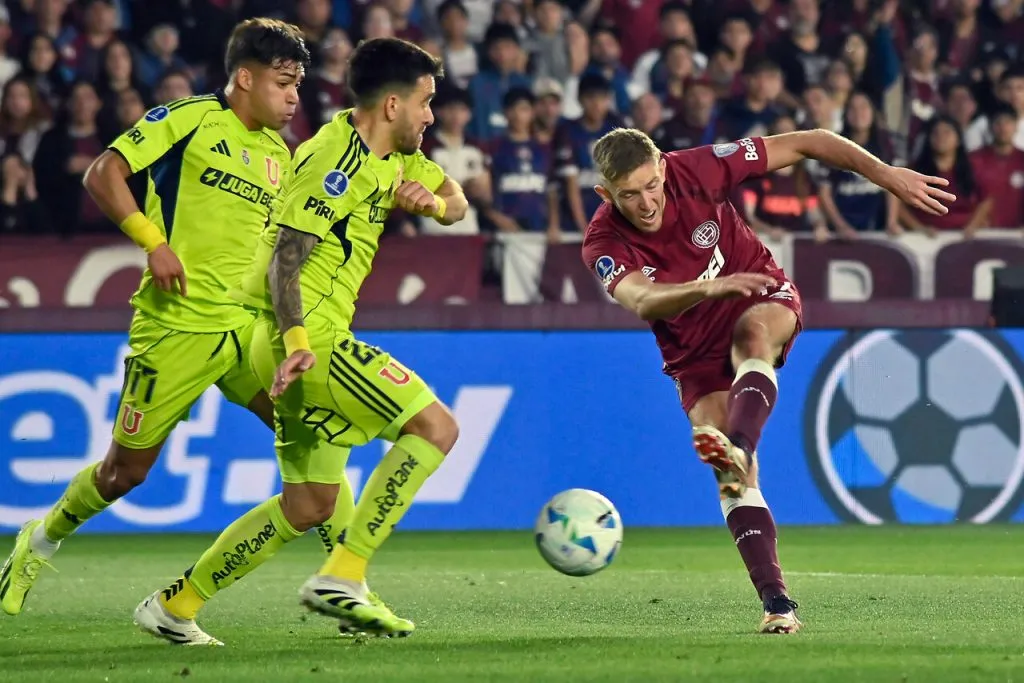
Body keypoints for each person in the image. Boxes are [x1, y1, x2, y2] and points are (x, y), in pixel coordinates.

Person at [141, 37, 469, 643]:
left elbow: (459, 200)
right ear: (393, 104)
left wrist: (435, 206)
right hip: (305, 337)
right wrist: (298, 342)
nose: (432, 115)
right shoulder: (332, 162)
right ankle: (344, 576)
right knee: (437, 428)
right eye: (425, 102)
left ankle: (176, 606)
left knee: (311, 502)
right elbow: (283, 264)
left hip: (293, 340)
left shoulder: (395, 155)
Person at [580, 127, 955, 634]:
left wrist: (886, 175)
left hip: (759, 292)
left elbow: (810, 141)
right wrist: (707, 288)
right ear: (606, 194)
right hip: (691, 347)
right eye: (629, 194)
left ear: (663, 168)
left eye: (651, 185)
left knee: (753, 337)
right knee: (732, 481)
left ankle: (740, 443)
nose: (646, 202)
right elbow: (643, 300)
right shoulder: (604, 241)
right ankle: (778, 603)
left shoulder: (699, 167)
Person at [0, 18, 306, 623]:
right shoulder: (188, 118)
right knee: (122, 474)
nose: (295, 95)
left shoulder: (282, 154)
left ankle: (339, 581)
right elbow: (102, 174)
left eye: (298, 83)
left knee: (310, 438)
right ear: (244, 78)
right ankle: (41, 538)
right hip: (176, 327)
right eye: (283, 82)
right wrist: (152, 241)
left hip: (244, 331)